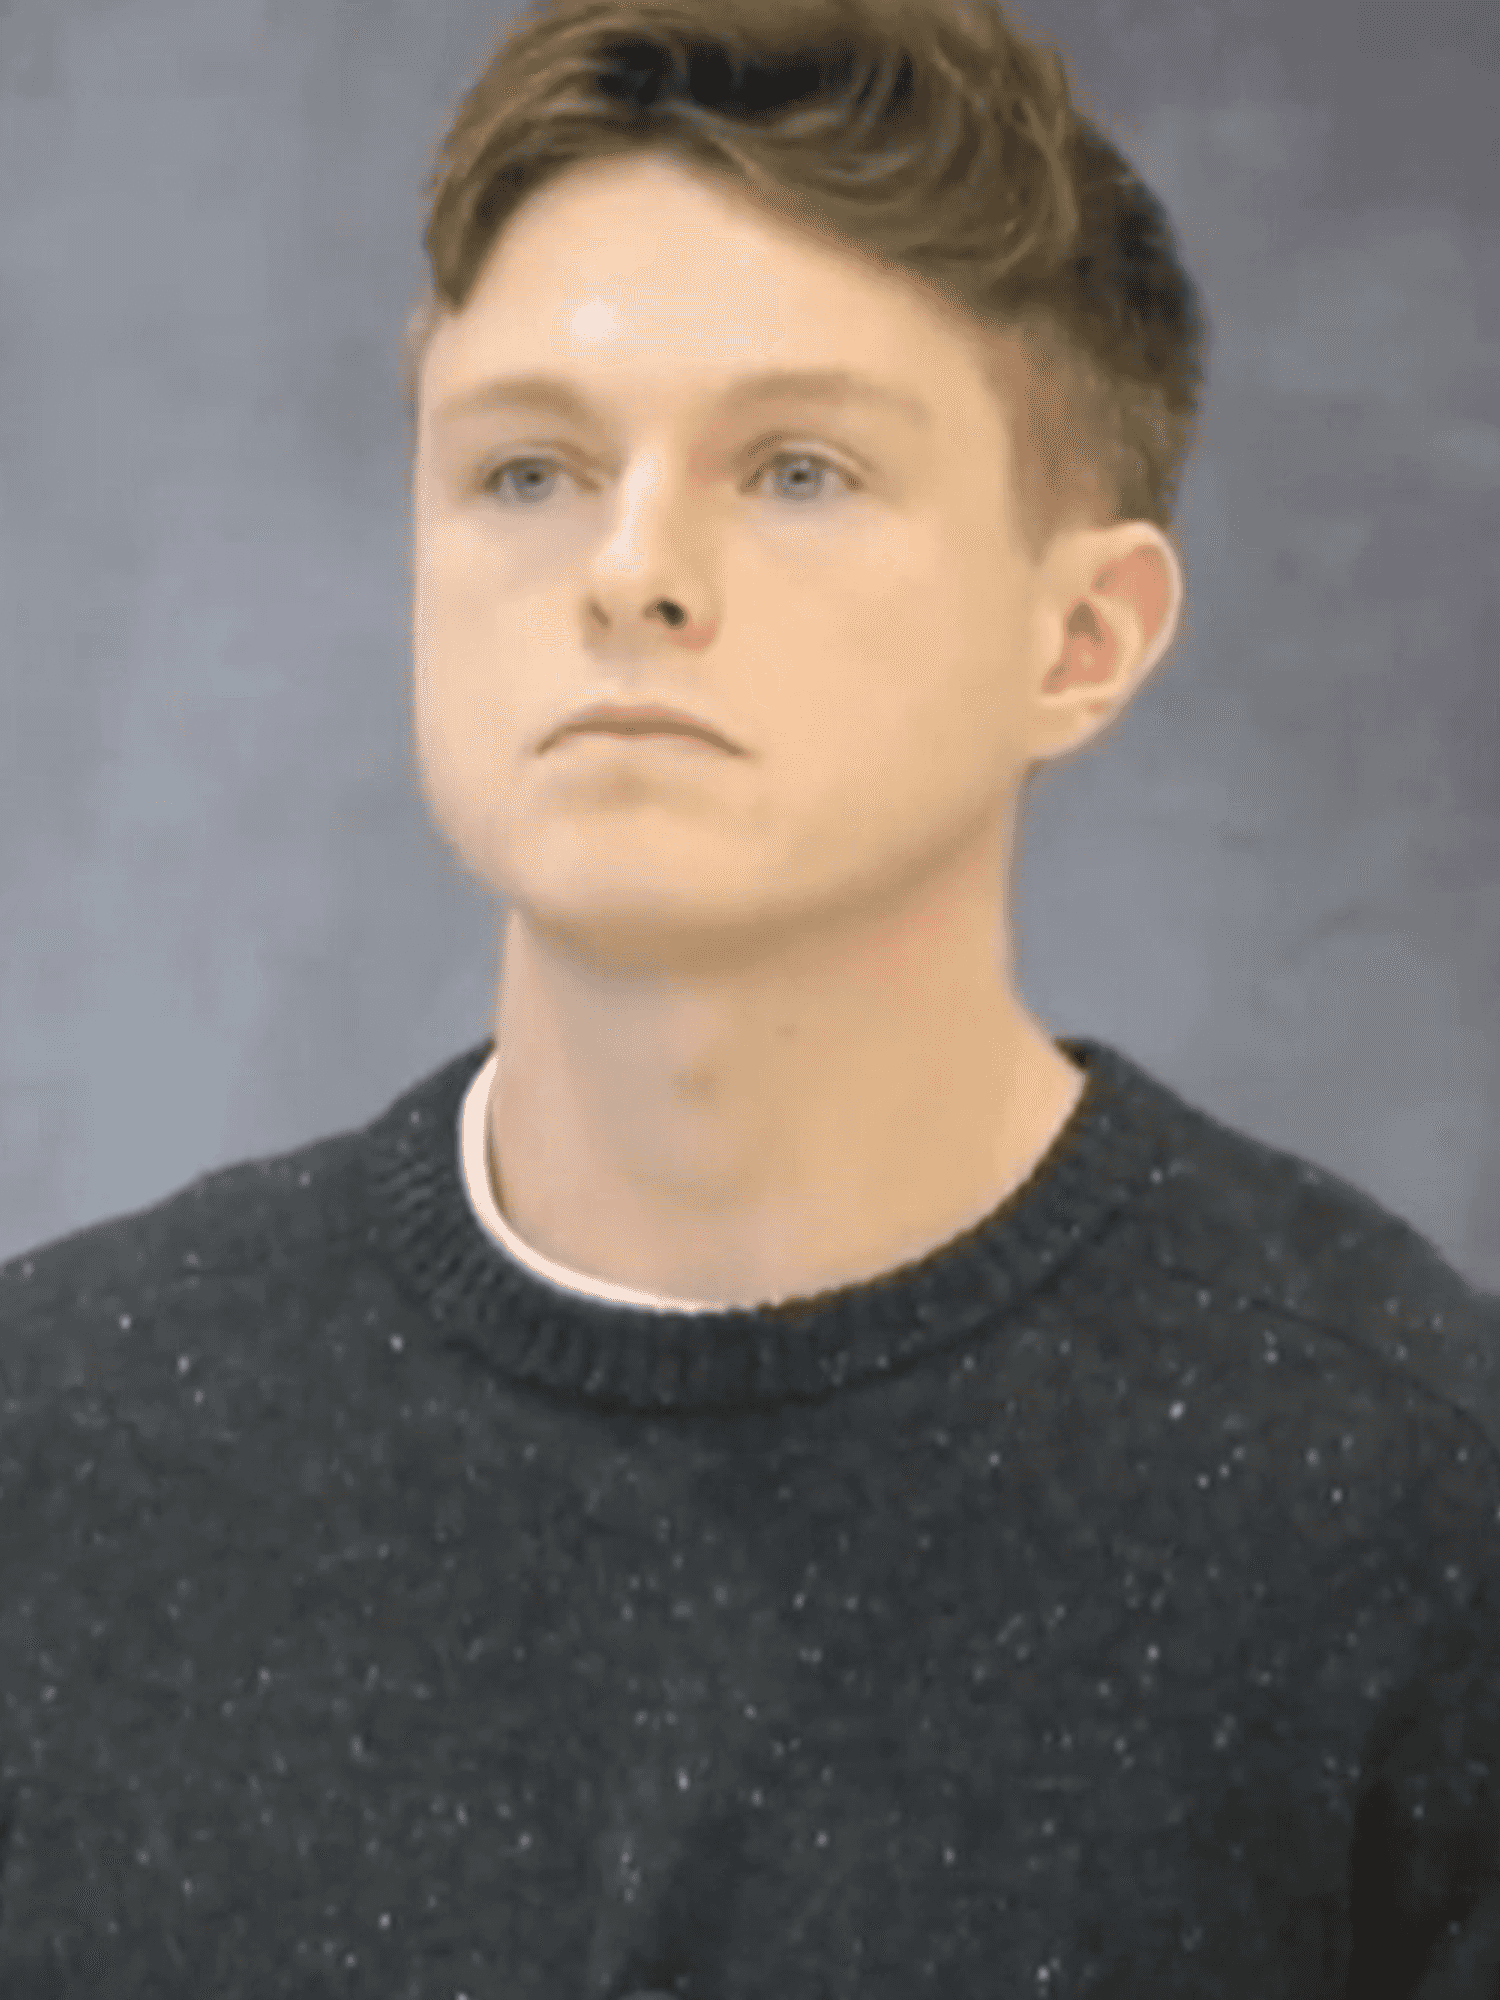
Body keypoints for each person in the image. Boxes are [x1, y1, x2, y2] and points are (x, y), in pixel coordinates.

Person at [3, 0, 1498, 1992]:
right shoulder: (58, 1444)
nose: (629, 570)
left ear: (1082, 638)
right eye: (527, 469)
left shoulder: (1414, 1503)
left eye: (796, 470)